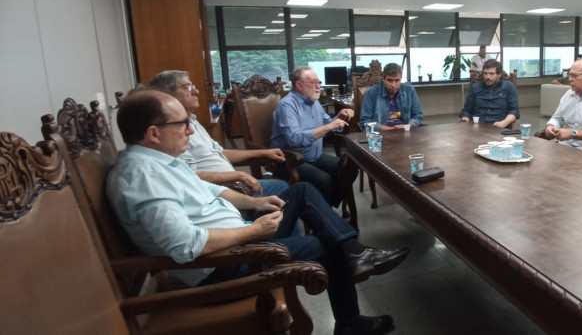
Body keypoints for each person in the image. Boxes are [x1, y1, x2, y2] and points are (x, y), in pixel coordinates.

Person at [108, 89, 408, 335]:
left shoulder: (162, 160)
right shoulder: (143, 178)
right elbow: (186, 245)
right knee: (325, 246)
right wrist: (254, 231)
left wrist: (256, 205)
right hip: (224, 264)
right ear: (153, 133)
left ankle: (354, 250)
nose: (190, 129)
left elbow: (210, 191)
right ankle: (350, 322)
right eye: (182, 123)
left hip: (237, 237)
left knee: (301, 192)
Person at [149, 70, 284, 194]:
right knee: (291, 190)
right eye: (188, 87)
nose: (196, 91)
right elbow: (189, 174)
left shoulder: (193, 121)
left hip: (235, 183)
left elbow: (220, 153)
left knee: (292, 190)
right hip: (219, 191)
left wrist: (263, 152)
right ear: (168, 94)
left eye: (194, 87)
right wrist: (238, 175)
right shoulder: (172, 131)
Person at [272, 66, 355, 208]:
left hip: (313, 157)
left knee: (350, 168)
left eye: (319, 82)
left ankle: (325, 207)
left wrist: (339, 117)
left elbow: (327, 126)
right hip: (289, 160)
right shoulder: (287, 105)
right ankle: (322, 213)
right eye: (314, 83)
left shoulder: (314, 102)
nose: (318, 87)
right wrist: (329, 126)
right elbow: (295, 139)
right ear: (299, 85)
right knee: (323, 179)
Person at [359, 63, 423, 131]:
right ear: (383, 79)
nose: (393, 85)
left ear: (401, 79)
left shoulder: (409, 90)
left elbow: (417, 116)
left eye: (397, 80)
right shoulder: (372, 92)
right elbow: (365, 121)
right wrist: (386, 129)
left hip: (405, 131)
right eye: (390, 80)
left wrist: (407, 126)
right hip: (382, 133)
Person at [459, 59, 519, 128]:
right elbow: (467, 111)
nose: (487, 77)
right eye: (485, 73)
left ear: (499, 74)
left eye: (491, 74)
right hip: (477, 128)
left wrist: (504, 123)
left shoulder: (509, 87)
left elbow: (514, 111)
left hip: (499, 127)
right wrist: (465, 119)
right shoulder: (475, 88)